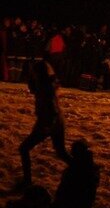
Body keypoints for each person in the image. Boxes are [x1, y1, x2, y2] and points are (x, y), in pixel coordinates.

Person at [19, 57, 72, 188]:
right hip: (57, 122)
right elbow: (33, 90)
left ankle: (27, 182)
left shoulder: (45, 88)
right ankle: (82, 169)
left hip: (49, 122)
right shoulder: (44, 83)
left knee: (24, 148)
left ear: (39, 74)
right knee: (61, 152)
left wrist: (46, 127)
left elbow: (52, 109)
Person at [52, 139, 98, 208]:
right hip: (82, 207)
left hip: (71, 207)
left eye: (73, 151)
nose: (71, 153)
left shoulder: (76, 168)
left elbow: (65, 191)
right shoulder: (91, 168)